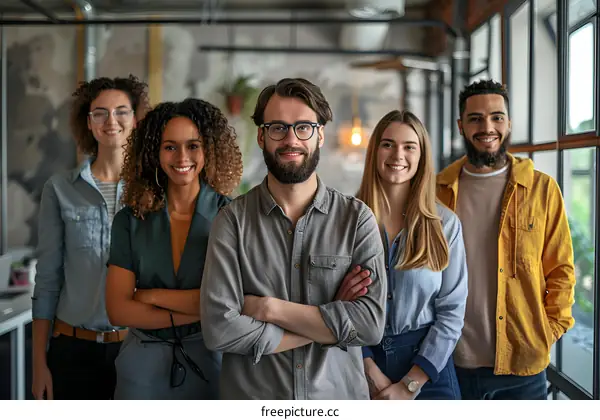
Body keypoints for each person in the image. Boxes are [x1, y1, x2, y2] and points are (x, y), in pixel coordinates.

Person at [199, 77, 387, 400]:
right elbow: (219, 330)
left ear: (321, 135)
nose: (291, 139)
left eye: (303, 127)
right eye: (278, 128)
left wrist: (270, 309)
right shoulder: (231, 222)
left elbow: (370, 325)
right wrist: (331, 317)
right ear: (261, 135)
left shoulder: (357, 221)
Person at [436, 79, 576, 399]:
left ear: (509, 123)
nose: (488, 127)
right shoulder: (436, 191)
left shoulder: (542, 189)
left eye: (497, 117)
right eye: (476, 118)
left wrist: (547, 332)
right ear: (461, 125)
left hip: (522, 366)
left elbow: (562, 271)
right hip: (449, 362)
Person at [104, 98, 243, 399]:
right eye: (170, 146)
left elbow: (235, 303)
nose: (182, 157)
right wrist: (205, 310)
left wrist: (151, 297)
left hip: (211, 364)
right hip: (140, 369)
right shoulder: (129, 220)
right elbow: (117, 310)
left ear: (210, 149)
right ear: (154, 152)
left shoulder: (232, 217)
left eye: (193, 145)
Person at [31, 75, 149, 399]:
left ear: (135, 120)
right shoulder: (59, 189)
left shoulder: (153, 191)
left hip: (138, 350)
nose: (111, 121)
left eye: (121, 111)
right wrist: (39, 364)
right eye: (100, 112)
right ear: (89, 122)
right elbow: (47, 280)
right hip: (72, 352)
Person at [357, 110, 468, 400]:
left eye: (409, 147)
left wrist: (410, 385)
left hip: (429, 370)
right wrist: (369, 370)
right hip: (359, 365)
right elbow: (335, 302)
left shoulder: (445, 225)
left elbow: (452, 312)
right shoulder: (347, 221)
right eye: (388, 144)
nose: (398, 154)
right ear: (375, 151)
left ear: (421, 157)